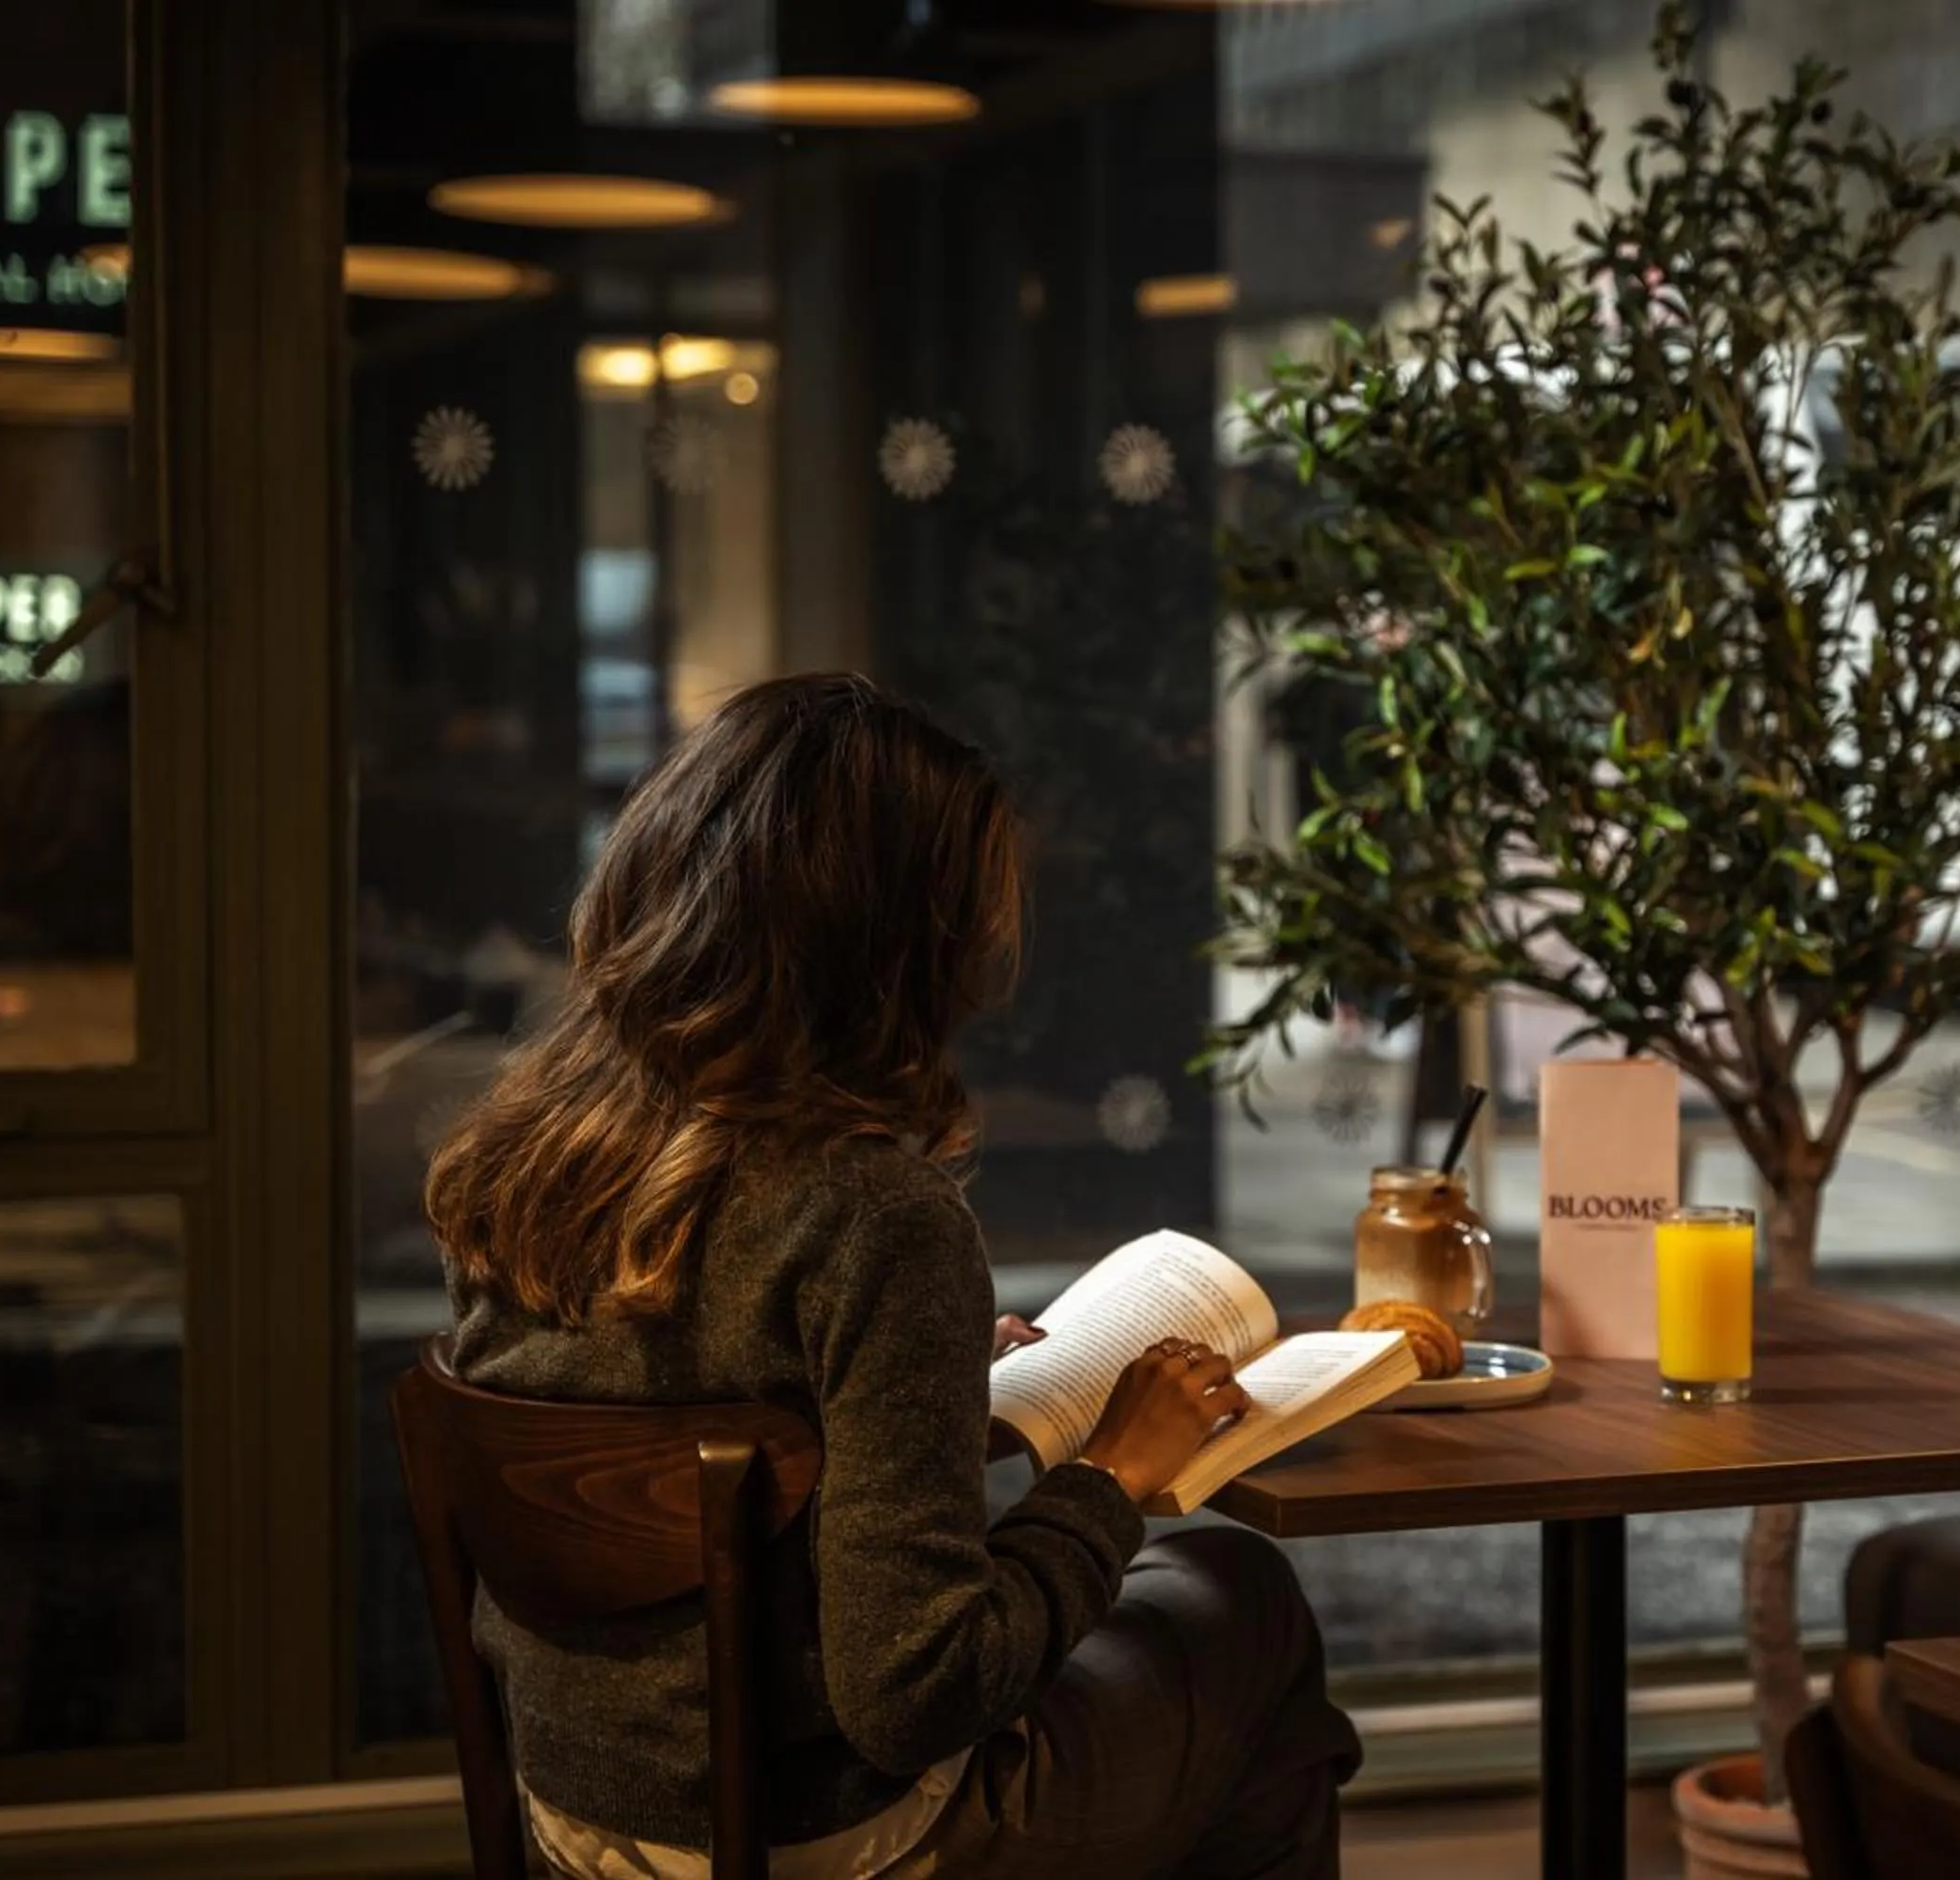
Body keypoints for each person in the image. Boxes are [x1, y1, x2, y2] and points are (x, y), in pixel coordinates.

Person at [427, 672, 1359, 1879]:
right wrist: (1112, 1473)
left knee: (1178, 1596)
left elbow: (690, 1417)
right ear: (894, 950)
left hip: (576, 1815)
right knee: (1245, 1599)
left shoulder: (521, 1160)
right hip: (826, 1838)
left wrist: (916, 1405)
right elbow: (917, 1692)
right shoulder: (875, 1215)